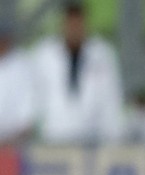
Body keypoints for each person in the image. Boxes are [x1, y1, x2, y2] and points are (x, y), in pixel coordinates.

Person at [31, 0, 125, 144]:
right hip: (53, 137)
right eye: (70, 23)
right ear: (62, 24)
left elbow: (112, 100)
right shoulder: (45, 54)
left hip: (93, 139)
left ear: (86, 23)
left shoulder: (102, 54)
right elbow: (35, 99)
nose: (74, 28)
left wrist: (114, 139)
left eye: (78, 23)